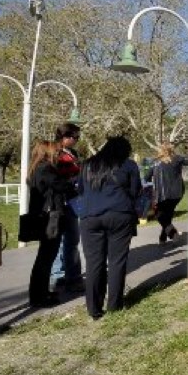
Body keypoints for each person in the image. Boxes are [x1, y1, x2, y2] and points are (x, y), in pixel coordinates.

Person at [78, 136, 141, 319]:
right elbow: (135, 190)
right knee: (117, 261)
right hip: (120, 214)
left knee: (94, 263)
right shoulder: (129, 165)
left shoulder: (87, 164)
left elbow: (80, 190)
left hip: (90, 217)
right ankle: (114, 304)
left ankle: (94, 309)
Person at [27, 140, 76, 308]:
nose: (58, 154)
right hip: (49, 217)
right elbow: (62, 186)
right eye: (55, 151)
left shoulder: (37, 168)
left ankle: (41, 292)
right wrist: (72, 183)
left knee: (45, 257)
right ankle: (38, 296)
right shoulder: (45, 169)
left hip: (43, 216)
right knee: (46, 258)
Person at [49, 123, 84, 294]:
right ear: (65, 137)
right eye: (75, 137)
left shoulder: (73, 153)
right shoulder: (55, 154)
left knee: (69, 240)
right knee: (67, 240)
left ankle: (64, 274)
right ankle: (65, 276)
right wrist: (74, 181)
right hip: (62, 202)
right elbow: (55, 179)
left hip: (73, 201)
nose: (77, 140)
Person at [150, 142, 188, 244]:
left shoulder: (155, 162)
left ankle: (173, 234)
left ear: (160, 150)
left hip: (162, 194)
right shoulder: (178, 159)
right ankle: (162, 238)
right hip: (177, 193)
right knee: (168, 214)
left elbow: (146, 177)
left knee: (159, 215)